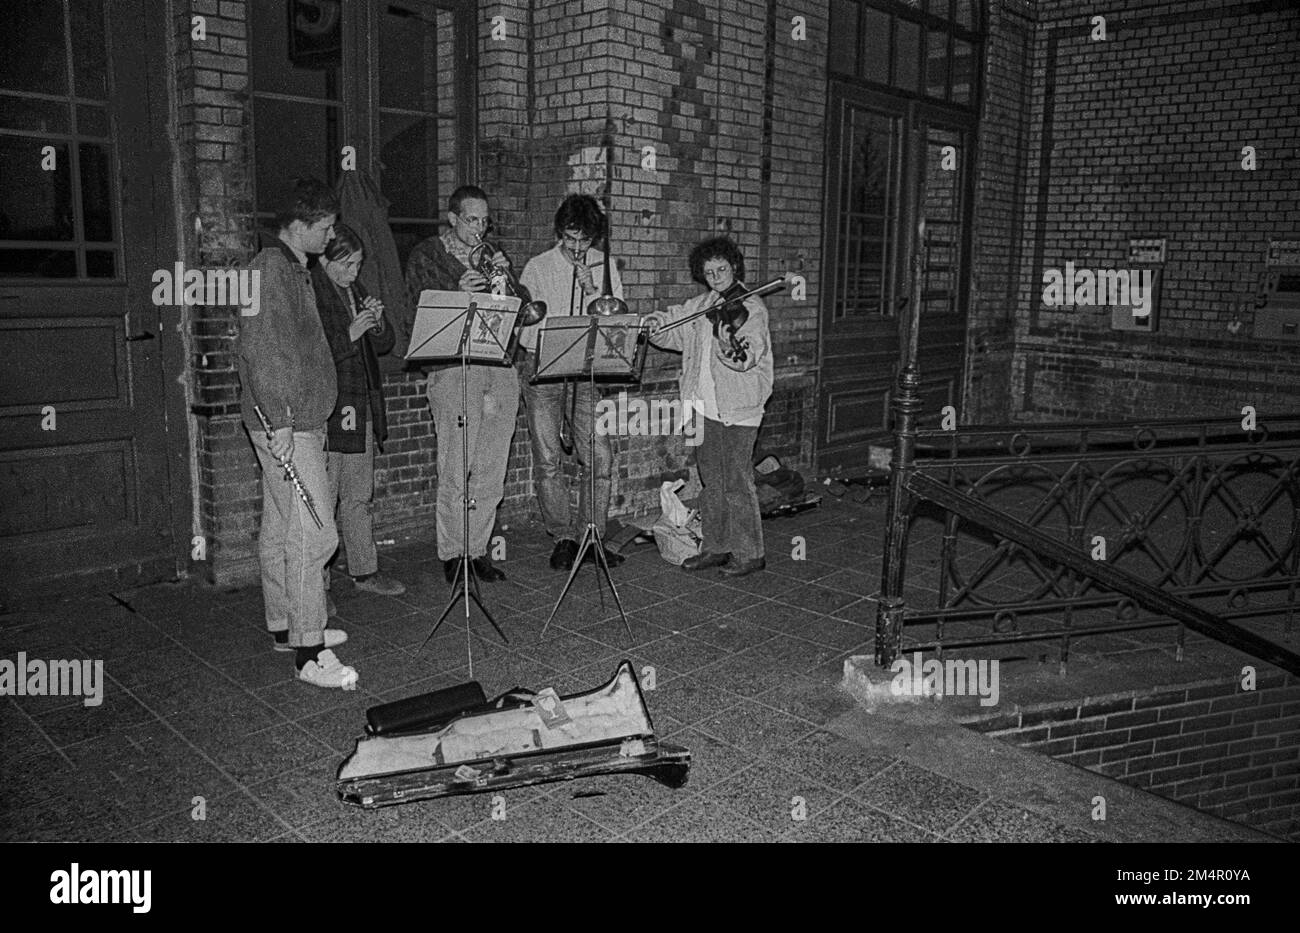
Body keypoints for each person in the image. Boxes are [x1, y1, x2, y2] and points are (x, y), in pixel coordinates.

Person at [239, 178, 358, 689]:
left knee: (282, 526)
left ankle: (285, 625)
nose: (332, 235)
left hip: (288, 420)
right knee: (316, 532)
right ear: (299, 226)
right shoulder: (271, 270)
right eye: (326, 226)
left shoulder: (292, 268)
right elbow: (262, 350)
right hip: (288, 424)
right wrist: (282, 420)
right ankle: (309, 652)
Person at [404, 185, 518, 585]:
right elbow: (416, 311)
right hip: (453, 369)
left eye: (485, 221)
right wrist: (457, 293)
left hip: (498, 366)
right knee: (457, 466)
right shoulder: (427, 254)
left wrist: (504, 281)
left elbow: (518, 313)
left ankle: (478, 549)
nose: (480, 229)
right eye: (472, 220)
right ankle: (454, 553)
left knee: (491, 466)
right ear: (452, 218)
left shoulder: (492, 257)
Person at [644, 237, 773, 577]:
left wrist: (726, 337)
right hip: (703, 407)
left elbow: (746, 357)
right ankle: (716, 546)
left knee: (737, 481)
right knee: (711, 482)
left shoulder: (751, 308)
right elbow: (673, 330)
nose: (716, 276)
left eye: (722, 269)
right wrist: (656, 325)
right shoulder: (702, 304)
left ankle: (750, 552)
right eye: (709, 271)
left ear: (734, 268)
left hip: (739, 409)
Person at [518, 194, 626, 572]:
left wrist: (593, 289)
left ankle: (592, 535)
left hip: (587, 372)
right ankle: (563, 536)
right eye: (570, 238)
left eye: (585, 240)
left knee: (599, 457)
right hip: (545, 372)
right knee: (548, 460)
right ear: (559, 232)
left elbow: (617, 326)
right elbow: (523, 334)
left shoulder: (605, 265)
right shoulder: (537, 267)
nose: (578, 248)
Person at [311, 224, 407, 598]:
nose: (353, 272)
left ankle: (364, 570)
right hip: (329, 405)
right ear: (325, 259)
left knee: (359, 493)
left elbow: (384, 344)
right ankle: (316, 588)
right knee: (325, 498)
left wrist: (377, 321)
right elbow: (310, 354)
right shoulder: (312, 291)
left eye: (358, 264)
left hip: (358, 401)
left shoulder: (355, 289)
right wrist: (350, 334)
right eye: (346, 264)